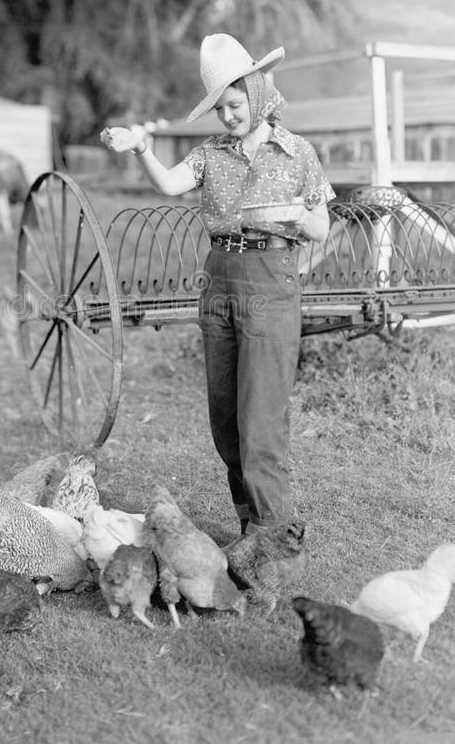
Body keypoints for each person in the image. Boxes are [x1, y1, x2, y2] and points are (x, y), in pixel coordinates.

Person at [101, 33, 335, 536]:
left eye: (236, 104)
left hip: (272, 279)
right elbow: (168, 184)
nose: (229, 116)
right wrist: (140, 146)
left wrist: (296, 214)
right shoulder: (211, 154)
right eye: (221, 109)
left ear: (257, 93)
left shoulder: (298, 153)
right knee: (226, 419)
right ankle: (251, 528)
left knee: (261, 420)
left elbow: (321, 226)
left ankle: (274, 539)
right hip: (220, 277)